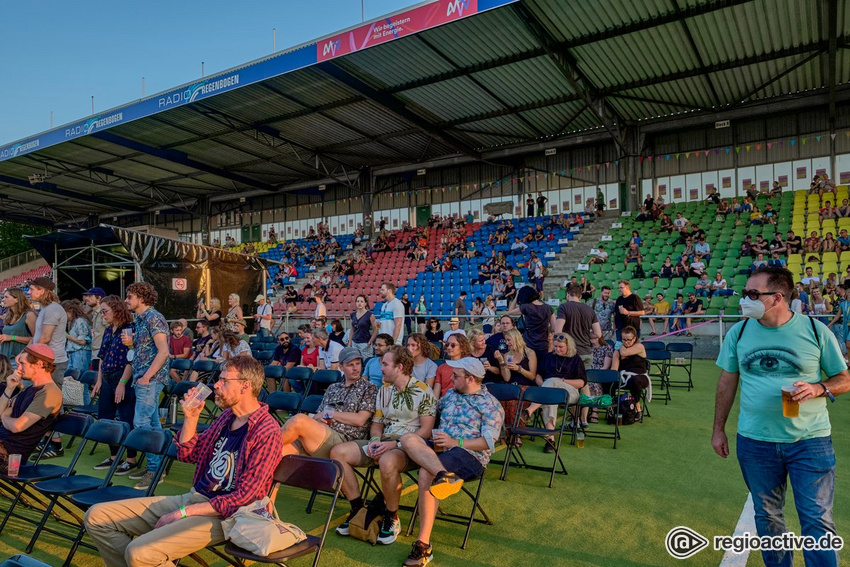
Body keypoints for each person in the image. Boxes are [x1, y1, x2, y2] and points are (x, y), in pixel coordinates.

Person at [84, 356, 284, 567]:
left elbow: (244, 497)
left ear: (246, 385)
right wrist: (191, 418)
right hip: (195, 499)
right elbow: (189, 455)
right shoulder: (227, 418)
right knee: (97, 517)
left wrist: (182, 513)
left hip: (227, 516)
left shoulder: (266, 430)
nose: (216, 384)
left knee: (140, 552)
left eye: (224, 380)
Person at [713, 267, 850, 567]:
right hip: (755, 443)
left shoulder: (816, 331)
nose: (744, 300)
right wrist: (718, 429)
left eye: (752, 294)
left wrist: (818, 387)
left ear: (776, 298)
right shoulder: (739, 332)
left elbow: (844, 378)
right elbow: (727, 382)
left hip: (810, 442)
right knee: (768, 519)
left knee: (817, 519)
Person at [399, 357, 504, 567]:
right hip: (440, 450)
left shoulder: (491, 405)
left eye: (455, 376)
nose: (450, 379)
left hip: (469, 456)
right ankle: (443, 476)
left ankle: (423, 546)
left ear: (470, 378)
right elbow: (431, 412)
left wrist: (456, 441)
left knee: (425, 472)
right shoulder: (450, 395)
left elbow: (488, 443)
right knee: (407, 439)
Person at [330, 345, 436, 545]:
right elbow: (377, 424)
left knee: (387, 461)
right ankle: (357, 509)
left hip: (409, 445)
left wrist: (395, 444)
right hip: (384, 441)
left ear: (400, 367)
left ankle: (392, 516)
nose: (381, 369)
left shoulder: (424, 391)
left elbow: (426, 431)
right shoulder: (384, 390)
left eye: (385, 364)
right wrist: (375, 440)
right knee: (338, 452)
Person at [281, 346, 377, 459]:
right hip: (322, 433)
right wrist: (319, 418)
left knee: (299, 420)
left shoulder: (369, 388)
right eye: (350, 365)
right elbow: (318, 414)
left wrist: (331, 414)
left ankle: (262, 445)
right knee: (281, 450)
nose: (355, 368)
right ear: (341, 367)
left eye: (357, 364)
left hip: (345, 440)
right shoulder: (333, 388)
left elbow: (360, 420)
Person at [123, 282, 171, 490]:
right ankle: (156, 466)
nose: (126, 300)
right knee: (152, 425)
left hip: (149, 379)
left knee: (141, 424)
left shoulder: (153, 318)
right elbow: (150, 349)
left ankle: (154, 471)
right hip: (143, 377)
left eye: (129, 296)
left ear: (141, 298)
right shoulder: (141, 319)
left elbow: (163, 351)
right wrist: (133, 345)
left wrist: (146, 377)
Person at [91, 295, 139, 474]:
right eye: (102, 311)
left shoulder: (130, 329)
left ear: (116, 310)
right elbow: (102, 357)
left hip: (122, 376)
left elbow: (131, 359)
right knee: (105, 415)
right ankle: (114, 456)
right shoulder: (109, 330)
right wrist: (99, 380)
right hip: (108, 377)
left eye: (105, 311)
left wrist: (122, 383)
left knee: (127, 417)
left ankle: (131, 459)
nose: (103, 315)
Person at [0, 344, 63, 471]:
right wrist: (9, 388)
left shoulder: (49, 392)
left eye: (22, 363)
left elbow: (17, 426)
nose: (18, 368)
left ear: (39, 364)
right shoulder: (28, 389)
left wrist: (4, 417)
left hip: (10, 455)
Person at [524, 333, 587, 448]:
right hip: (550, 392)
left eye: (560, 347)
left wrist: (561, 381)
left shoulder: (575, 359)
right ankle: (550, 439)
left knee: (552, 382)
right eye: (556, 346)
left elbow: (581, 383)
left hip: (570, 392)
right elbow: (538, 375)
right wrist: (546, 386)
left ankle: (530, 410)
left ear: (569, 346)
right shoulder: (549, 357)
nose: (557, 349)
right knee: (550, 398)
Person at [493, 329, 538, 436]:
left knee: (513, 401)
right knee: (500, 399)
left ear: (516, 339)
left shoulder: (529, 353)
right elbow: (507, 378)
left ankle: (516, 433)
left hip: (526, 387)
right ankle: (506, 432)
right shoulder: (508, 355)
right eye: (506, 340)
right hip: (511, 386)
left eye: (509, 340)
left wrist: (519, 369)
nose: (507, 343)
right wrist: (501, 362)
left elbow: (532, 376)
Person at [553, 283, 602, 369]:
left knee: (569, 381)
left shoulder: (563, 307)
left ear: (567, 295)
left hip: (570, 353)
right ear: (580, 296)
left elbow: (558, 331)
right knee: (584, 380)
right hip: (586, 352)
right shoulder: (590, 309)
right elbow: (598, 334)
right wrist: (586, 334)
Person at [509, 286, 554, 363]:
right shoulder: (548, 308)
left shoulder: (526, 307)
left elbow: (510, 311)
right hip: (543, 343)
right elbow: (554, 328)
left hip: (528, 343)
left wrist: (516, 296)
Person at [611, 326, 649, 418]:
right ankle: (611, 406)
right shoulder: (618, 351)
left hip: (639, 376)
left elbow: (624, 352)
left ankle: (637, 406)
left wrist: (620, 346)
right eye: (623, 339)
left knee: (634, 381)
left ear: (635, 338)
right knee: (609, 382)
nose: (626, 342)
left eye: (629, 340)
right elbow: (614, 369)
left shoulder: (639, 346)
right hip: (623, 376)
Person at [0, 288, 36, 362]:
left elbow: (36, 339)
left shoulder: (29, 315)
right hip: (5, 361)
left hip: (20, 361)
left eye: (6, 297)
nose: (3, 300)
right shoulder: (9, 316)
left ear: (16, 300)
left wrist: (12, 337)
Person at [433, 334, 471, 399]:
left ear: (462, 348)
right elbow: (436, 392)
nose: (449, 347)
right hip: (445, 403)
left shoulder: (469, 366)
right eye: (447, 344)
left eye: (453, 345)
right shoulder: (441, 367)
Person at [82, 287, 106, 367]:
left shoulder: (104, 313)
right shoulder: (94, 313)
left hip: (101, 353)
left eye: (90, 296)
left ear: (99, 298)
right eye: (87, 296)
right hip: (95, 352)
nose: (87, 298)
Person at [349, 295, 377, 359]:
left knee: (366, 361)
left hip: (365, 342)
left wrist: (370, 342)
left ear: (365, 303)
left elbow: (376, 330)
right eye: (358, 301)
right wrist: (350, 342)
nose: (359, 303)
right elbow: (352, 330)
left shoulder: (370, 315)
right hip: (354, 342)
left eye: (361, 301)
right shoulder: (353, 315)